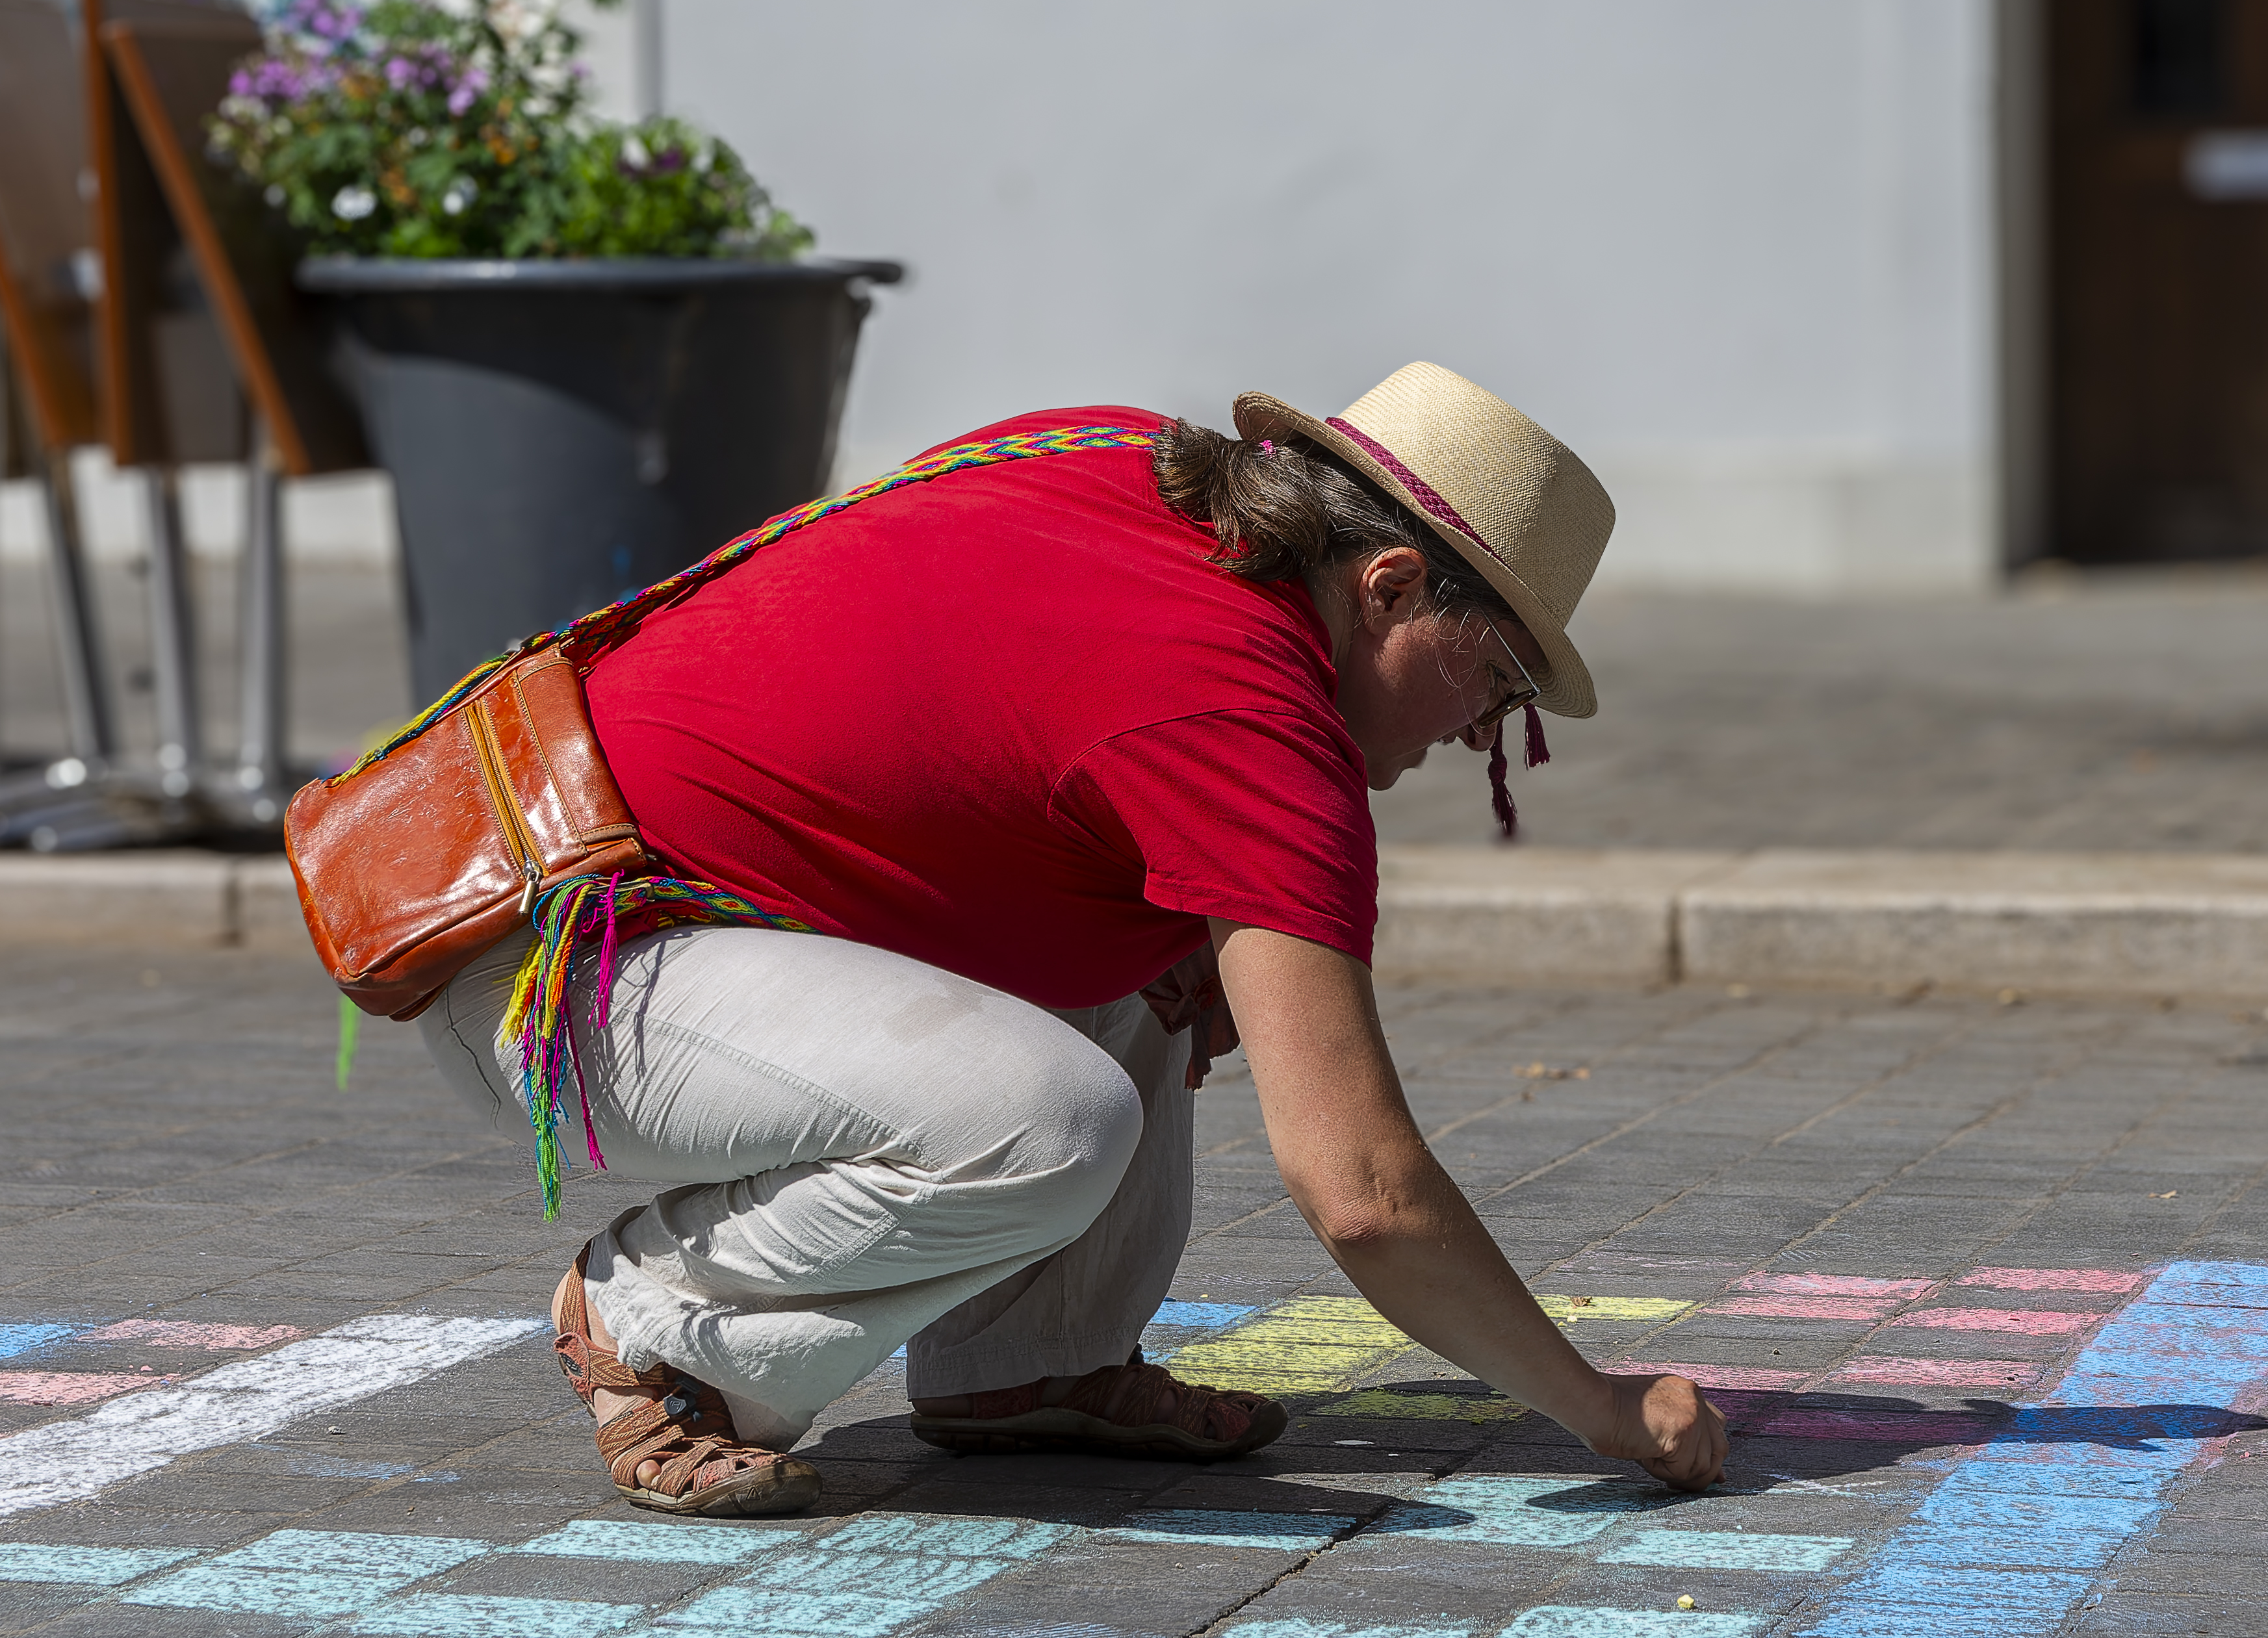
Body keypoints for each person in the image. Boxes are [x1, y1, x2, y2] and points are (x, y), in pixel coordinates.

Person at [421, 362, 1728, 1515]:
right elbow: (1363, 1191)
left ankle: (1027, 1358)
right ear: (1389, 586)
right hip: (550, 974)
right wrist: (1598, 1406)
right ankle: (657, 1325)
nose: (1480, 730)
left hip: (580, 904)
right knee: (1053, 1121)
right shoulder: (1248, 716)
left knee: (1163, 947)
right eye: (1496, 679)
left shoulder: (1121, 460)